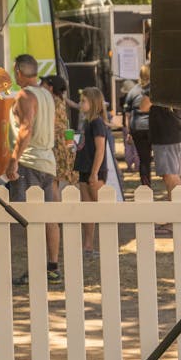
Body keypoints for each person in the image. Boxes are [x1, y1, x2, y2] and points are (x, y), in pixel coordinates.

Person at [6, 54, 61, 285]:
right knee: (49, 217)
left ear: (18, 71)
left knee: (30, 218)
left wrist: (13, 159)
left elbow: (26, 129)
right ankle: (52, 267)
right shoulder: (46, 94)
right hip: (48, 161)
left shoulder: (25, 95)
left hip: (30, 162)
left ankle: (35, 268)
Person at [144, 89, 181, 236]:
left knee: (171, 177)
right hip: (171, 135)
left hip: (166, 137)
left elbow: (143, 105)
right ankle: (176, 218)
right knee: (171, 176)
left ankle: (177, 219)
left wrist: (146, 91)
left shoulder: (157, 85)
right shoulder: (172, 83)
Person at [73, 87, 108, 257]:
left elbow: (100, 150)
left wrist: (95, 173)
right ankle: (87, 246)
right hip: (83, 168)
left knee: (100, 209)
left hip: (95, 171)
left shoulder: (97, 123)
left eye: (83, 101)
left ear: (93, 103)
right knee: (87, 211)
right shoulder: (86, 121)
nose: (81, 104)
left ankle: (106, 242)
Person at [123, 64, 153, 187]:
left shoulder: (132, 91)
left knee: (143, 158)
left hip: (137, 127)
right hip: (152, 127)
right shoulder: (153, 89)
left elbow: (127, 115)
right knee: (148, 157)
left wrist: (129, 132)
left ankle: (146, 183)